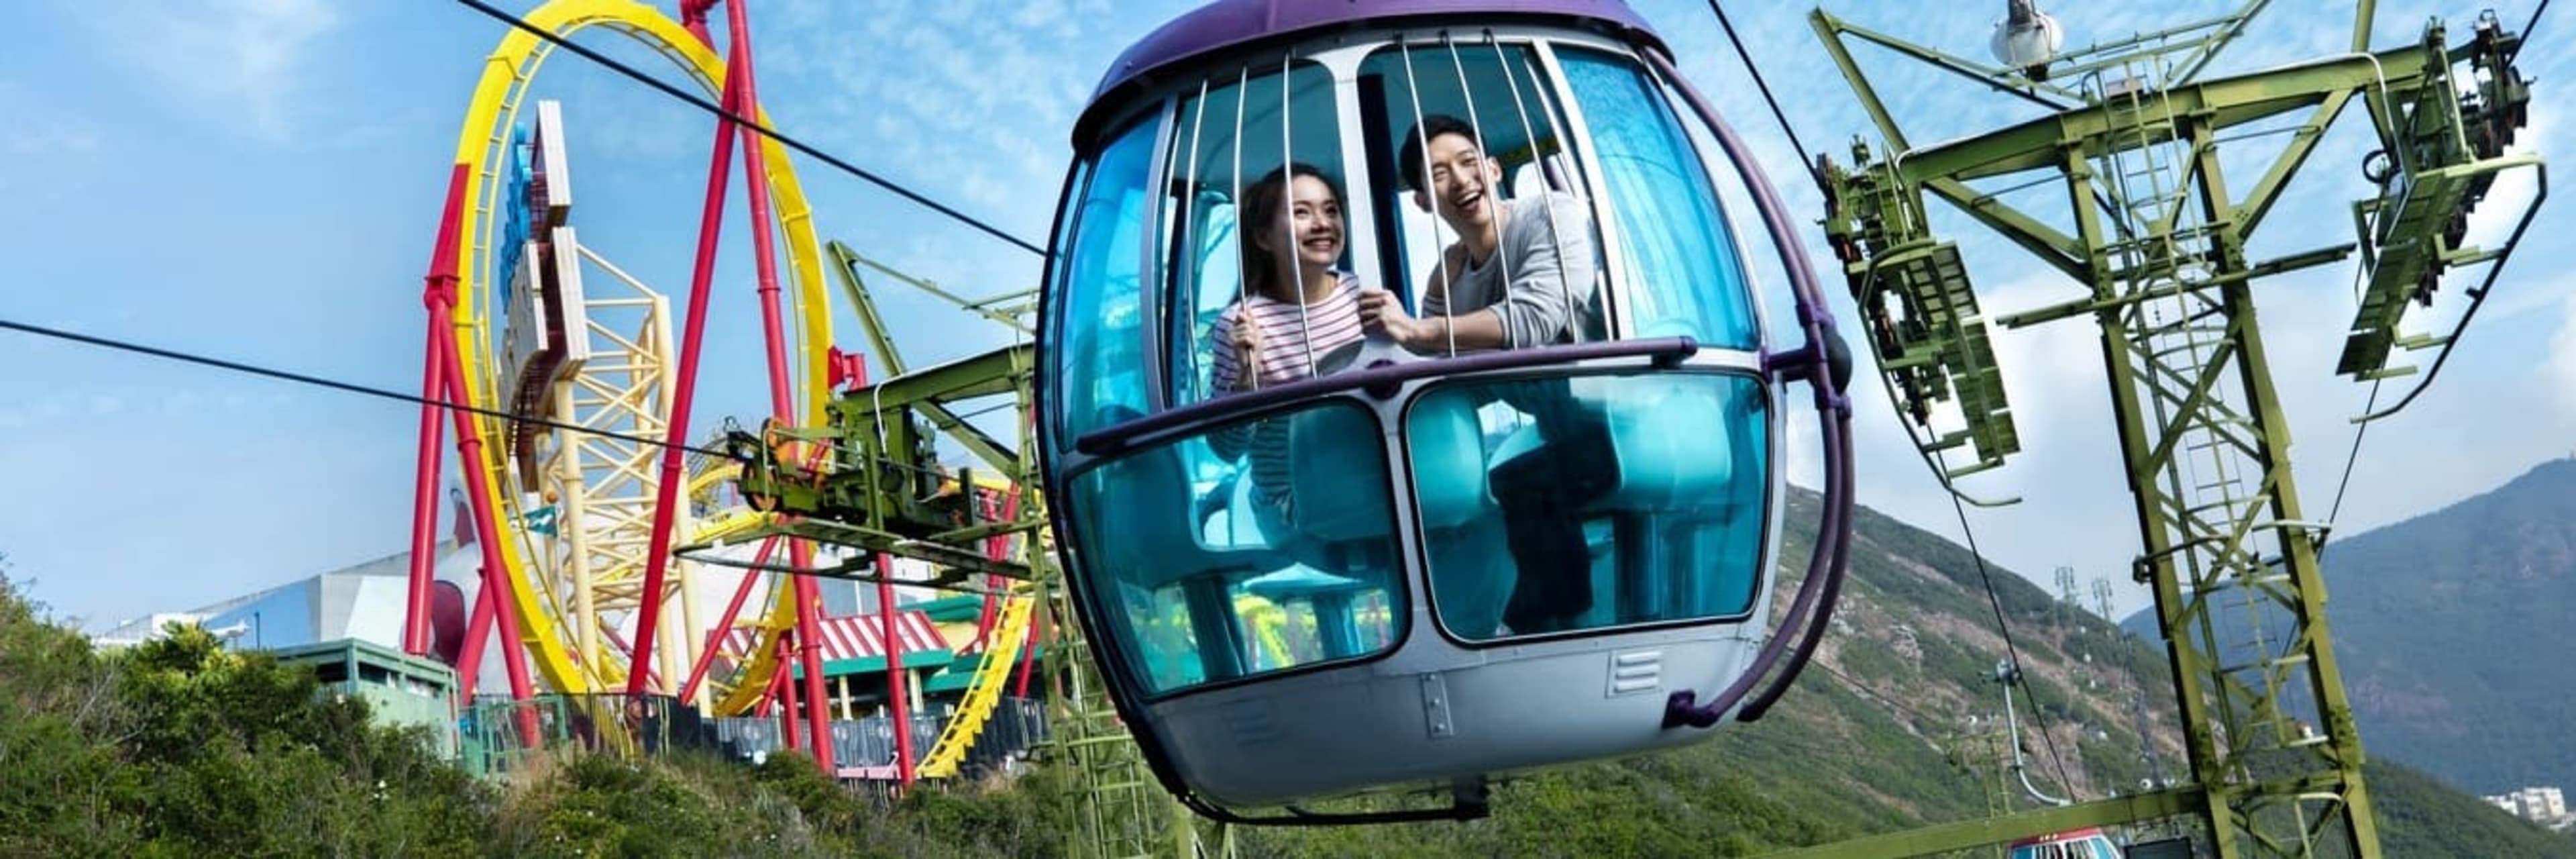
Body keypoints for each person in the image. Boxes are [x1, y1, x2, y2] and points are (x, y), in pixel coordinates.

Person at [1361, 113, 1611, 636]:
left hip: (1616, 414)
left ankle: (1551, 629)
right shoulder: (1451, 277)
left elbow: (1537, 317)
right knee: (1461, 495)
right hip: (1559, 429)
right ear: (1424, 201)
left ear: (1494, 168)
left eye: (1468, 162)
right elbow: (1433, 376)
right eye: (1439, 175)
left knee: (1519, 483)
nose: (1461, 180)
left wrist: (1423, 329)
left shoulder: (1551, 215)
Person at [1205, 162, 1368, 556]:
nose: (1322, 223)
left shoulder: (1359, 294)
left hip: (1364, 479)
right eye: (1301, 212)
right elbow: (1226, 449)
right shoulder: (1241, 323)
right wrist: (1249, 381)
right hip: (1295, 508)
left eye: (1330, 210)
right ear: (1263, 237)